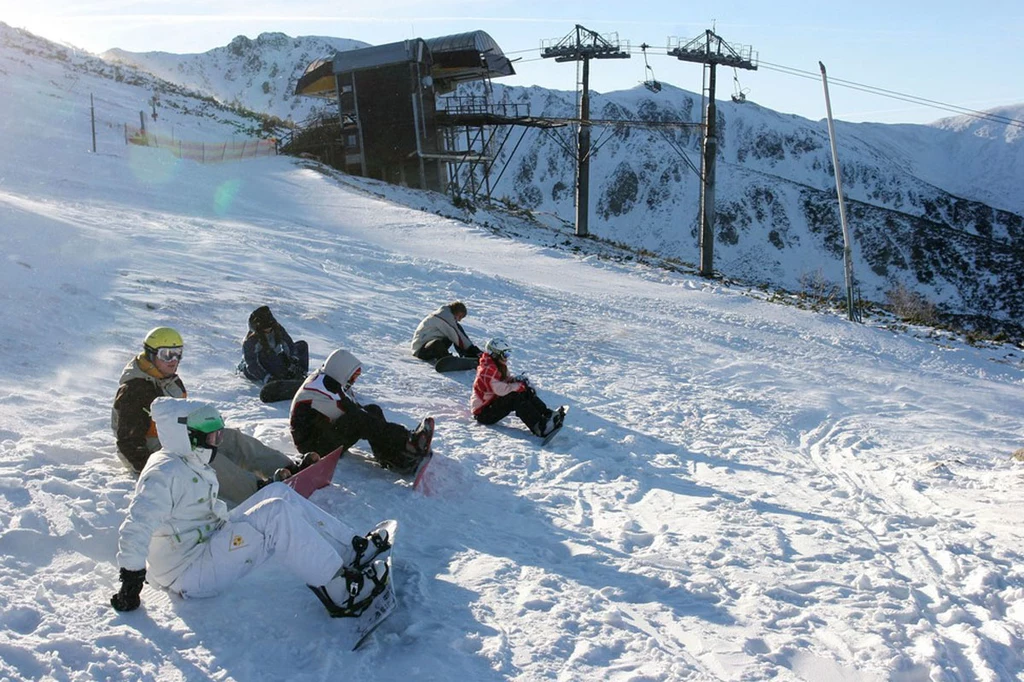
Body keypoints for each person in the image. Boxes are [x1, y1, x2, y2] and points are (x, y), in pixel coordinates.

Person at [110, 397, 391, 618]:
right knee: (274, 516)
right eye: (212, 438)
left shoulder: (189, 459)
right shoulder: (163, 472)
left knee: (277, 492)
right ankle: (341, 592)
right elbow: (136, 525)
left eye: (218, 436)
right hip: (188, 570)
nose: (216, 444)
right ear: (187, 436)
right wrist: (131, 583)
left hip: (207, 544)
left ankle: (352, 550)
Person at [111, 326, 306, 506]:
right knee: (203, 455)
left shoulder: (167, 378)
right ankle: (254, 490)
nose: (173, 360)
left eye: (178, 354)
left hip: (174, 435)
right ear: (150, 354)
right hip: (146, 449)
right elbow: (128, 441)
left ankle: (288, 468)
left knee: (228, 438)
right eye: (166, 354)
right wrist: (153, 470)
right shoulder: (135, 390)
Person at [290, 348, 433, 475]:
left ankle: (393, 456)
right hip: (313, 447)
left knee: (372, 410)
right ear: (342, 371)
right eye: (352, 377)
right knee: (360, 420)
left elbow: (354, 408)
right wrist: (399, 433)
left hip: (322, 433)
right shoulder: (322, 391)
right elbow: (352, 413)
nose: (353, 381)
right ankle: (408, 442)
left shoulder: (328, 379)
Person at [471, 337, 564, 438]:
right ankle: (540, 427)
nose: (507, 357)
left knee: (524, 390)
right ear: (495, 354)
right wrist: (518, 386)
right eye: (505, 354)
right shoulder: (486, 370)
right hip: (484, 413)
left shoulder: (498, 366)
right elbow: (501, 390)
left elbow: (505, 380)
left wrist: (517, 381)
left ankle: (546, 414)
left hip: (492, 403)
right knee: (514, 397)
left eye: (508, 354)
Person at [239, 305, 309, 385]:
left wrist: (293, 359)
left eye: (270, 327)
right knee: (268, 354)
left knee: (301, 346)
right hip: (257, 369)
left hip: (274, 359)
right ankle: (282, 378)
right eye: (265, 329)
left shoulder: (277, 329)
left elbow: (289, 344)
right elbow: (252, 364)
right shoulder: (251, 341)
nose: (268, 330)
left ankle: (300, 374)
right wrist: (267, 378)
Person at [410, 301, 481, 363]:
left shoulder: (445, 314)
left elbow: (457, 334)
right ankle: (447, 359)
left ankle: (466, 355)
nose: (459, 320)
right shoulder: (444, 316)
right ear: (456, 311)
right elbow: (457, 336)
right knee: (438, 343)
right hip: (420, 350)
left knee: (455, 331)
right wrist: (472, 349)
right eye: (460, 316)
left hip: (428, 346)